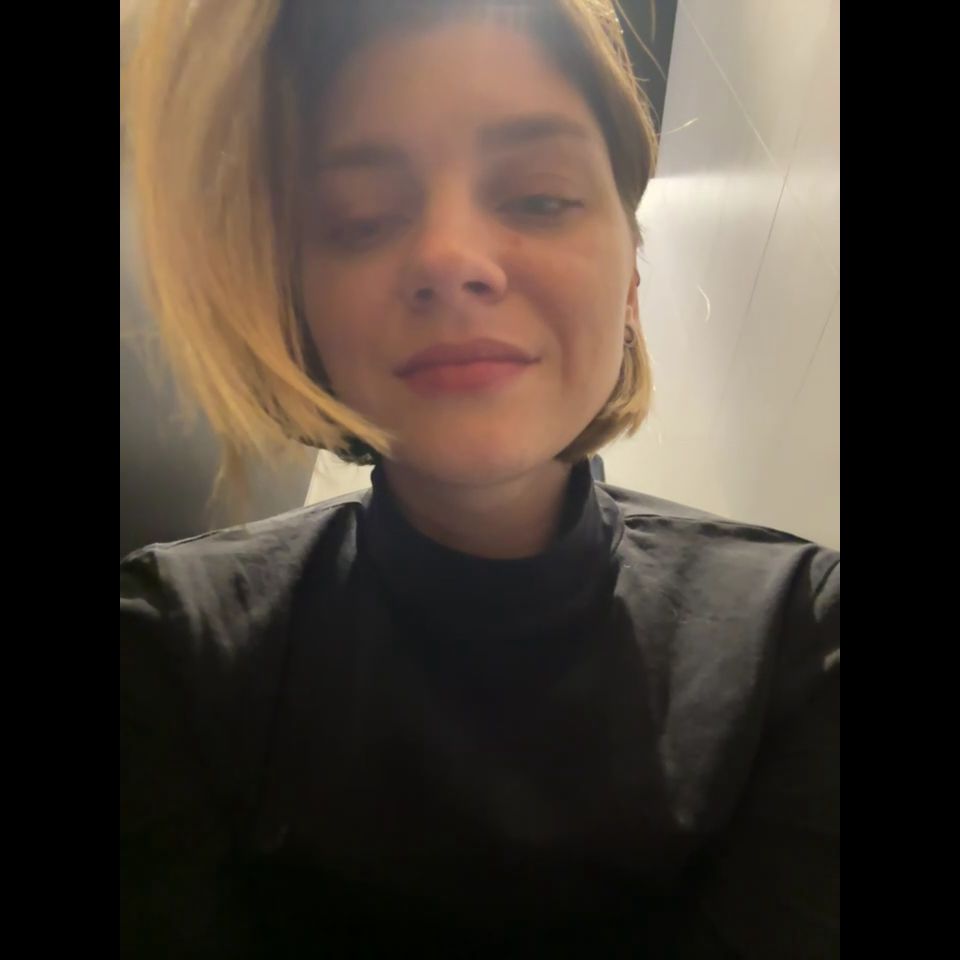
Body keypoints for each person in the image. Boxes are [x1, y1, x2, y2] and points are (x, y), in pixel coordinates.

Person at [120, 1, 839, 955]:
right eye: (360, 219)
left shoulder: (805, 645)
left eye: (539, 198)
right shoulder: (166, 656)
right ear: (302, 308)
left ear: (630, 282)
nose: (448, 259)